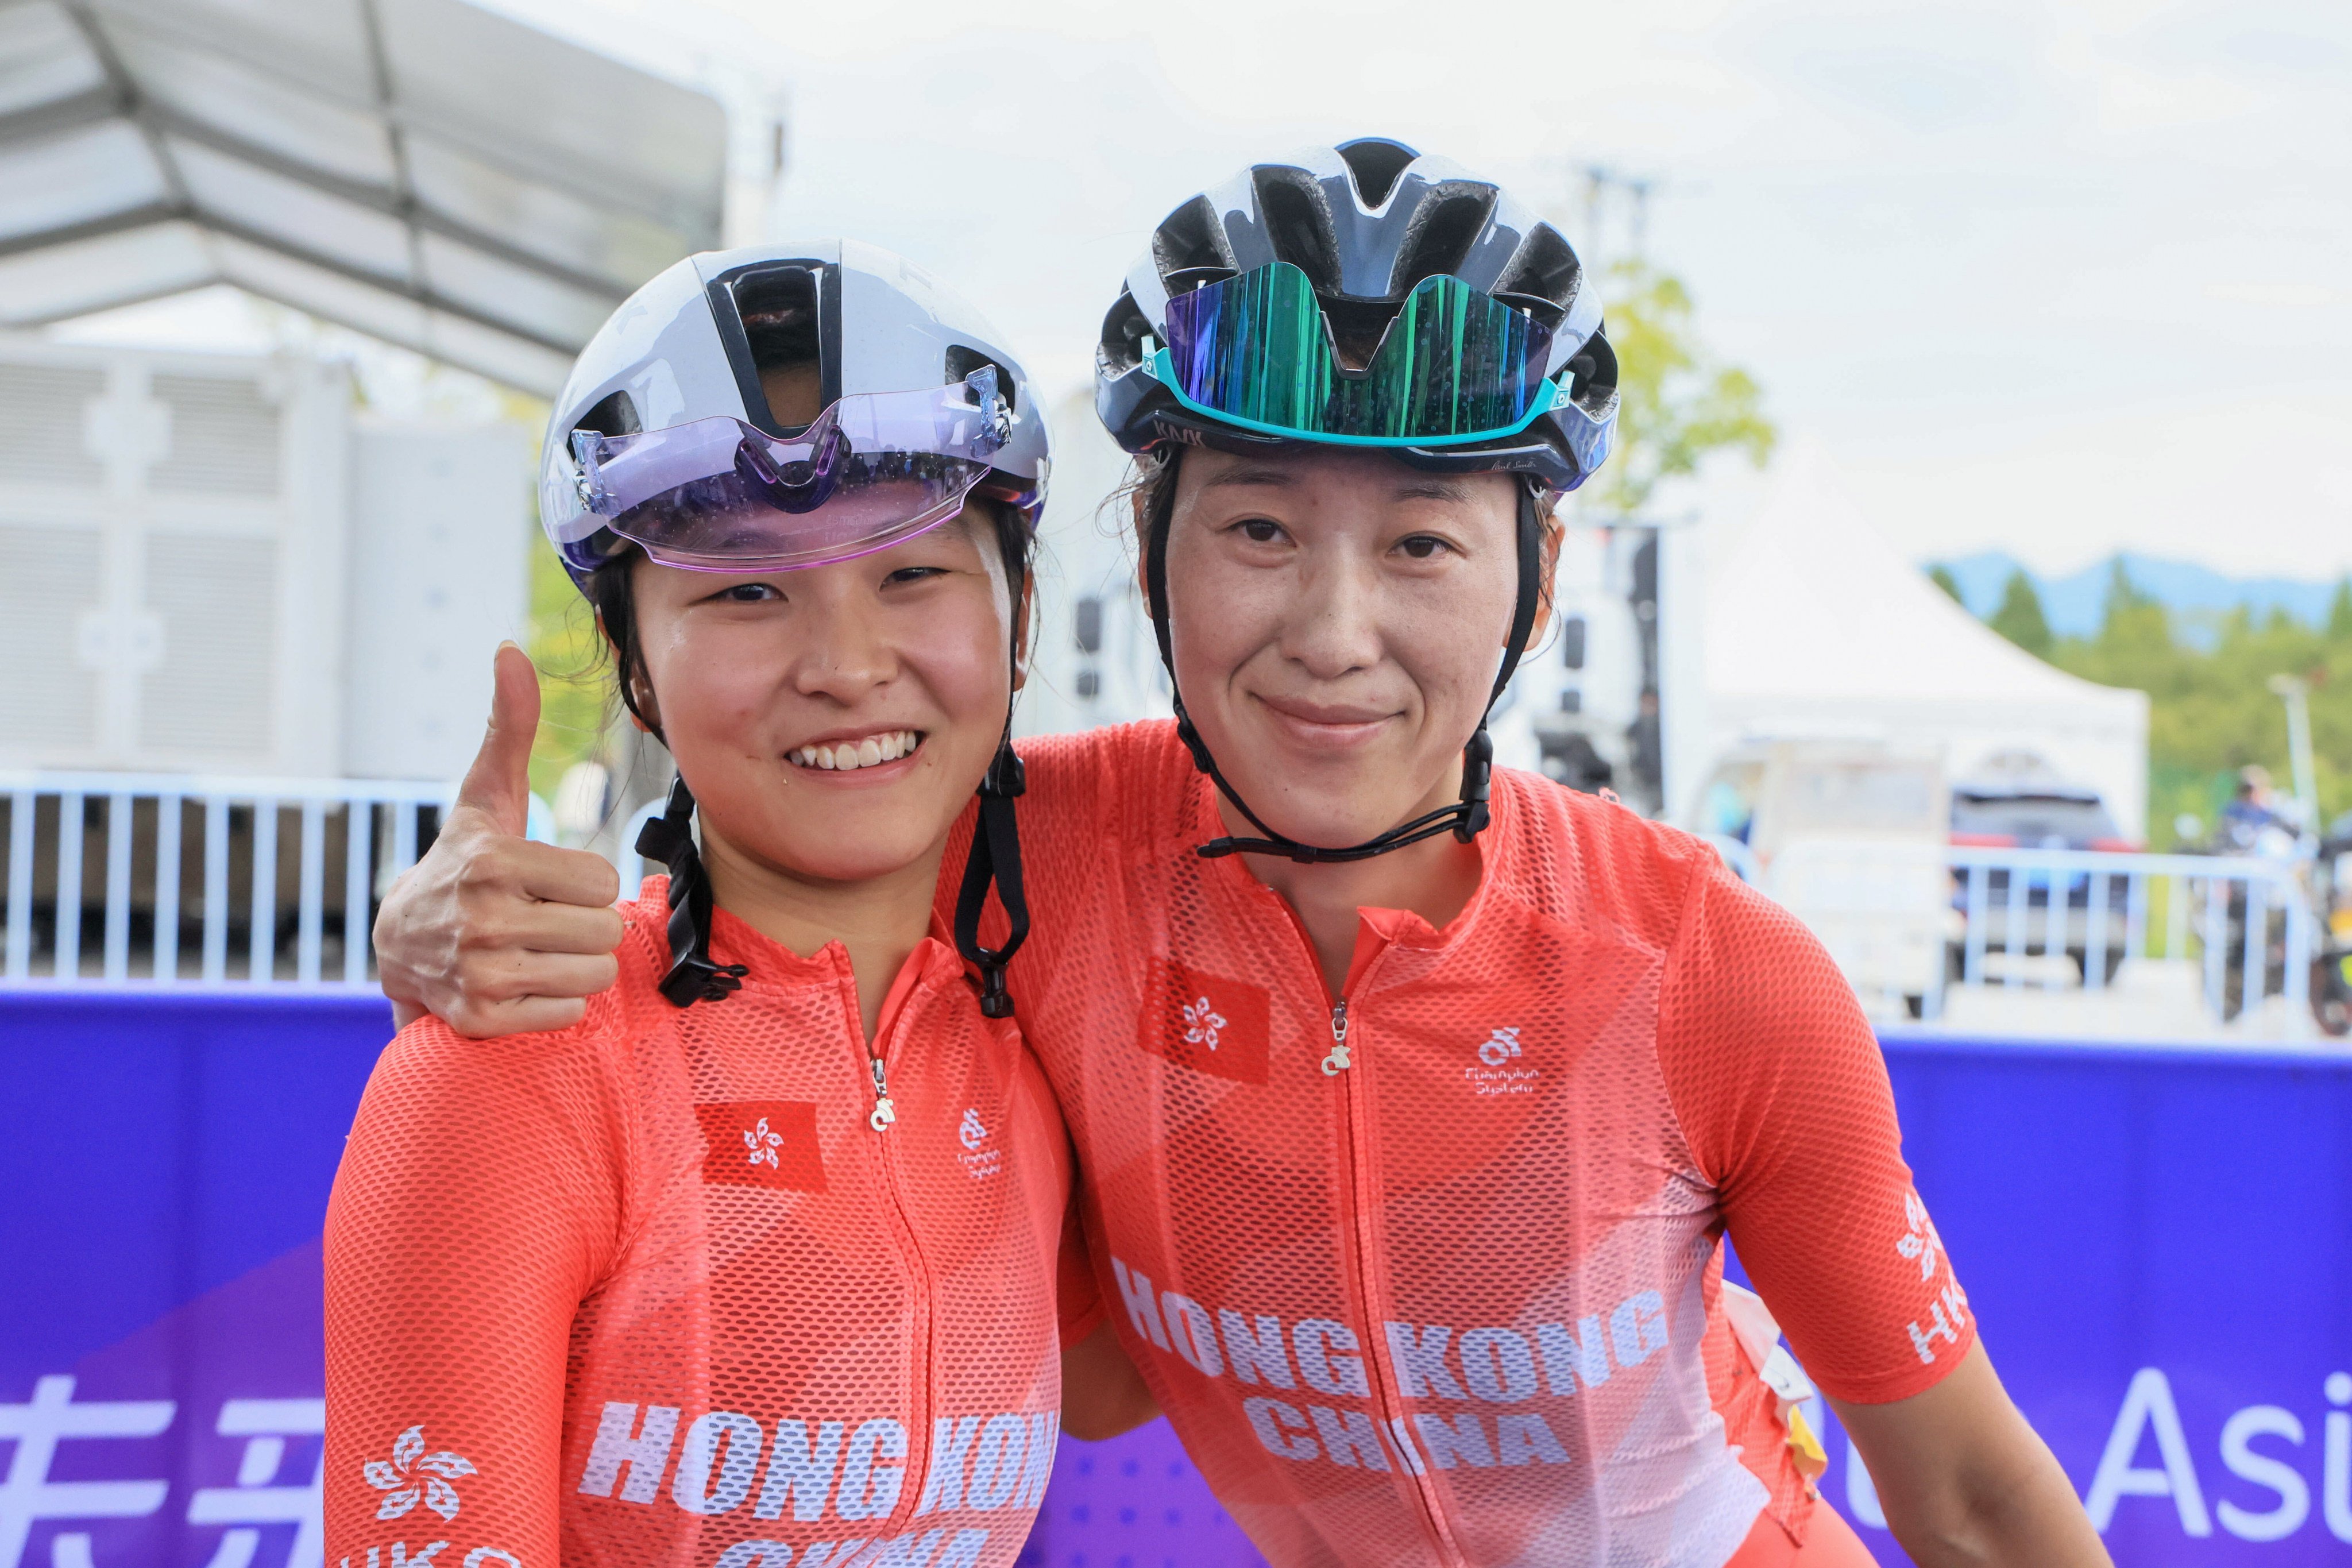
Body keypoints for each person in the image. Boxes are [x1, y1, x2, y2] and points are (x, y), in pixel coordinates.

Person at [373, 145, 2111, 1567]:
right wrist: (441, 932)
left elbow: (1966, 1502)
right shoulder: (1026, 857)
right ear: (1147, 550)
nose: (1335, 636)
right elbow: (779, 882)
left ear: (1541, 581)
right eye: (1262, 530)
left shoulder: (1709, 970)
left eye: (1425, 542)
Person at [325, 241, 1110, 1568]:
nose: (848, 666)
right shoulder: (517, 1068)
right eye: (744, 591)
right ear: (634, 672)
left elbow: (1116, 1389)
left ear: (1019, 616)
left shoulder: (1043, 1012)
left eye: (911, 572)